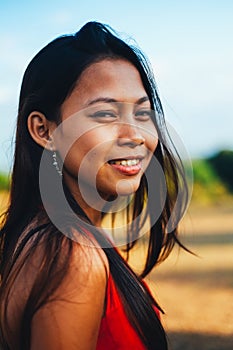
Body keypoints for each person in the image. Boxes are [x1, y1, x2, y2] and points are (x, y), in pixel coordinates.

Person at [0, 21, 189, 349]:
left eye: (143, 114)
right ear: (45, 131)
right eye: (105, 114)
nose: (133, 136)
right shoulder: (73, 255)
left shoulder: (48, 237)